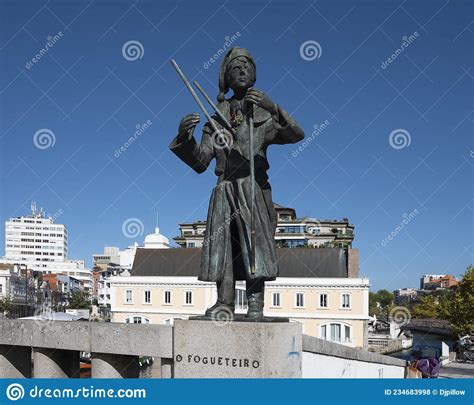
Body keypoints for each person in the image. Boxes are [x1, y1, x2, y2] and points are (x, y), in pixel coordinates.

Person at [170, 47, 304, 320]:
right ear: (226, 79)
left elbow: (296, 134)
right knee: (225, 247)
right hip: (225, 188)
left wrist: (273, 107)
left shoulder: (263, 111)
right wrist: (185, 138)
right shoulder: (215, 115)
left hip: (253, 186)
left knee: (255, 246)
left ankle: (256, 306)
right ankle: (224, 302)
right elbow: (200, 162)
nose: (242, 71)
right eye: (235, 68)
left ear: (254, 74)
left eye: (247, 67)